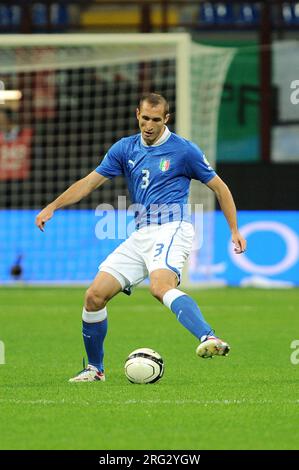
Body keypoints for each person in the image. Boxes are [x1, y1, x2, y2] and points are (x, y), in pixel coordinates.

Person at [35, 93, 246, 383]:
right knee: (94, 296)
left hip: (173, 226)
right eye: (145, 118)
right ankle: (95, 370)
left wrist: (234, 229)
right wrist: (53, 206)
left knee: (160, 287)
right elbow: (90, 182)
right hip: (141, 233)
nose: (149, 125)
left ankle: (209, 336)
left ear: (166, 120)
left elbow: (220, 189)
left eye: (156, 120)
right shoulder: (125, 148)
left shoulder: (184, 151)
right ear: (137, 114)